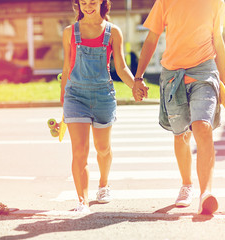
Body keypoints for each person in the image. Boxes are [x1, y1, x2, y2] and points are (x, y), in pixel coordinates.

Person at [133, 0, 225, 215]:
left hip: (204, 71)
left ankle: (206, 193)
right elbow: (151, 40)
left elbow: (218, 41)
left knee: (202, 126)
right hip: (173, 75)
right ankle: (187, 185)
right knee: (181, 135)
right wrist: (138, 77)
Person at [61, 0, 144, 213]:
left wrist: (134, 85)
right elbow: (67, 65)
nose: (88, 6)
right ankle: (82, 200)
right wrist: (63, 100)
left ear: (102, 3)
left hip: (103, 96)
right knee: (80, 151)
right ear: (78, 4)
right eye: (84, 3)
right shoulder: (70, 32)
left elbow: (121, 66)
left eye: (93, 2)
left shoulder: (113, 32)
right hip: (76, 96)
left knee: (103, 148)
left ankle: (104, 184)